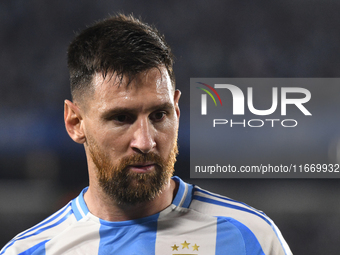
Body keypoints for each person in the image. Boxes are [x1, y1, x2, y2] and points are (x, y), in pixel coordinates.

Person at [0, 14, 292, 255]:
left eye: (159, 115)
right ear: (76, 122)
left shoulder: (252, 238)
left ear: (177, 111)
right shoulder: (29, 251)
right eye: (121, 118)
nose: (146, 141)